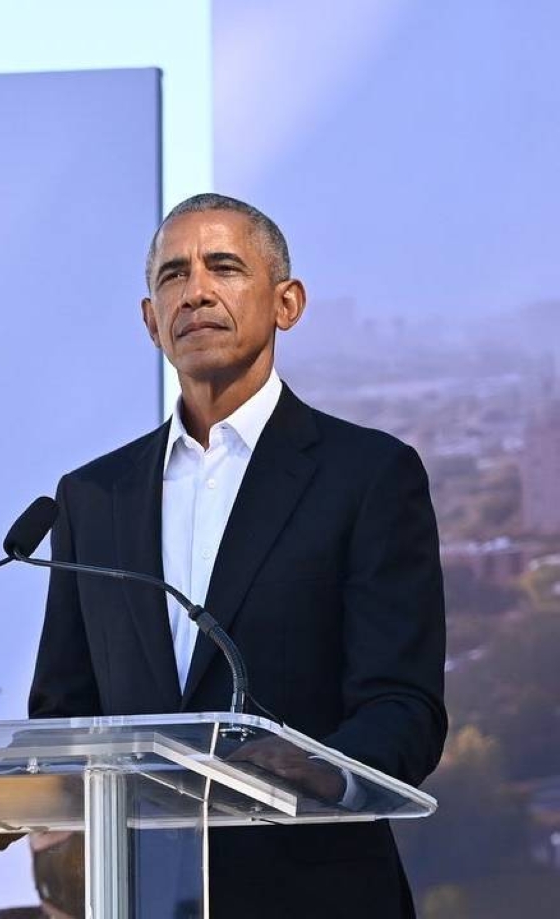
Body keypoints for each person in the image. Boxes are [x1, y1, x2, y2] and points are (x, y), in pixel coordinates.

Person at [28, 194, 447, 917]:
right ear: (151, 320)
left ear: (287, 303)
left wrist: (318, 769)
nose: (195, 291)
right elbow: (63, 711)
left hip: (316, 891)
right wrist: (28, 790)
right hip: (140, 895)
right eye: (173, 275)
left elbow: (402, 706)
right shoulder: (92, 496)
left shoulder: (368, 475)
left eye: (223, 267)